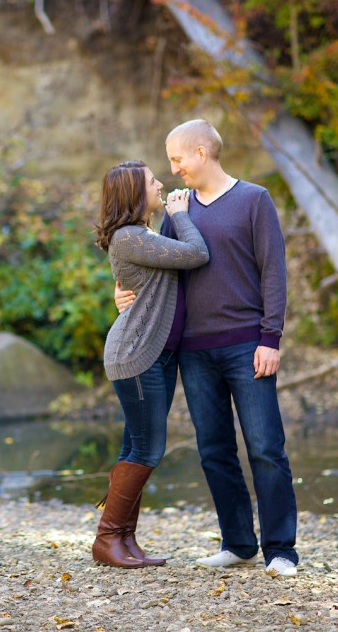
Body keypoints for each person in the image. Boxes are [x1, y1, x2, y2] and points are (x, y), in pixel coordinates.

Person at [115, 120, 299, 577]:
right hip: (194, 352)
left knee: (265, 448)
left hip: (246, 345)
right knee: (214, 450)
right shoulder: (178, 212)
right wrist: (121, 295)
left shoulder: (254, 199)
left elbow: (273, 272)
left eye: (177, 159)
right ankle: (238, 543)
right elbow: (156, 269)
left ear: (201, 152)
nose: (173, 169)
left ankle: (282, 551)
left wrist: (270, 338)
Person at [92, 160, 209, 568]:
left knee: (134, 447)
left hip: (153, 353)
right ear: (134, 195)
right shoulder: (130, 237)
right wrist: (180, 213)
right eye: (152, 182)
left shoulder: (142, 236)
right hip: (135, 355)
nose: (162, 184)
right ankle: (107, 540)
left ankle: (124, 540)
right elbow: (196, 253)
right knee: (147, 449)